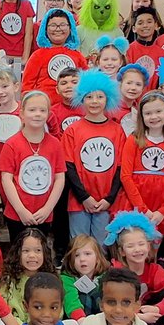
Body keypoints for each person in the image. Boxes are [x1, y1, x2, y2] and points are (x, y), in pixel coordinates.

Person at [63, 69, 128, 244]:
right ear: (82, 99)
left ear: (108, 99)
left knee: (102, 245)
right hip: (79, 201)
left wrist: (109, 198)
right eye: (89, 97)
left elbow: (121, 168)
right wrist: (84, 197)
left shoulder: (117, 130)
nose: (94, 101)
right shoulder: (73, 130)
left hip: (106, 201)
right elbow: (68, 167)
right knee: (79, 245)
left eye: (100, 97)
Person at [0, 91, 66, 241]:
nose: (37, 114)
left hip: (44, 213)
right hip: (17, 213)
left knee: (40, 252)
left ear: (48, 114)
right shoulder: (12, 144)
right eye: (32, 110)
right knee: (18, 253)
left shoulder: (55, 144)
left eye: (42, 110)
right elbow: (6, 179)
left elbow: (59, 178)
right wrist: (21, 210)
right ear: (22, 114)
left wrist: (48, 208)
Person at [122, 92, 164, 251]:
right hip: (137, 202)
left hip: (162, 203)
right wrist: (143, 210)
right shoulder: (134, 140)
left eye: (158, 111)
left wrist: (163, 210)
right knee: (135, 242)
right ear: (141, 116)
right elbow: (126, 176)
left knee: (155, 246)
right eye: (148, 113)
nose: (154, 116)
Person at [23, 8, 87, 107]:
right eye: (53, 25)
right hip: (44, 110)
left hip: (74, 110)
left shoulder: (77, 56)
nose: (58, 29)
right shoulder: (37, 55)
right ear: (45, 28)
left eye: (63, 25)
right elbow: (27, 87)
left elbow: (87, 83)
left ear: (70, 28)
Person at [0, 229, 57, 324]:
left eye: (38, 250)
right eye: (26, 251)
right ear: (18, 253)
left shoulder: (52, 280)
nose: (32, 255)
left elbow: (57, 310)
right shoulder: (8, 280)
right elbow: (1, 308)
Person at [60, 235, 109, 321]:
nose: (82, 259)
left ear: (97, 258)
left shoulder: (107, 276)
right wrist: (82, 321)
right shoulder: (66, 279)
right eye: (76, 255)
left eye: (87, 254)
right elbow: (71, 302)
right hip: (78, 321)